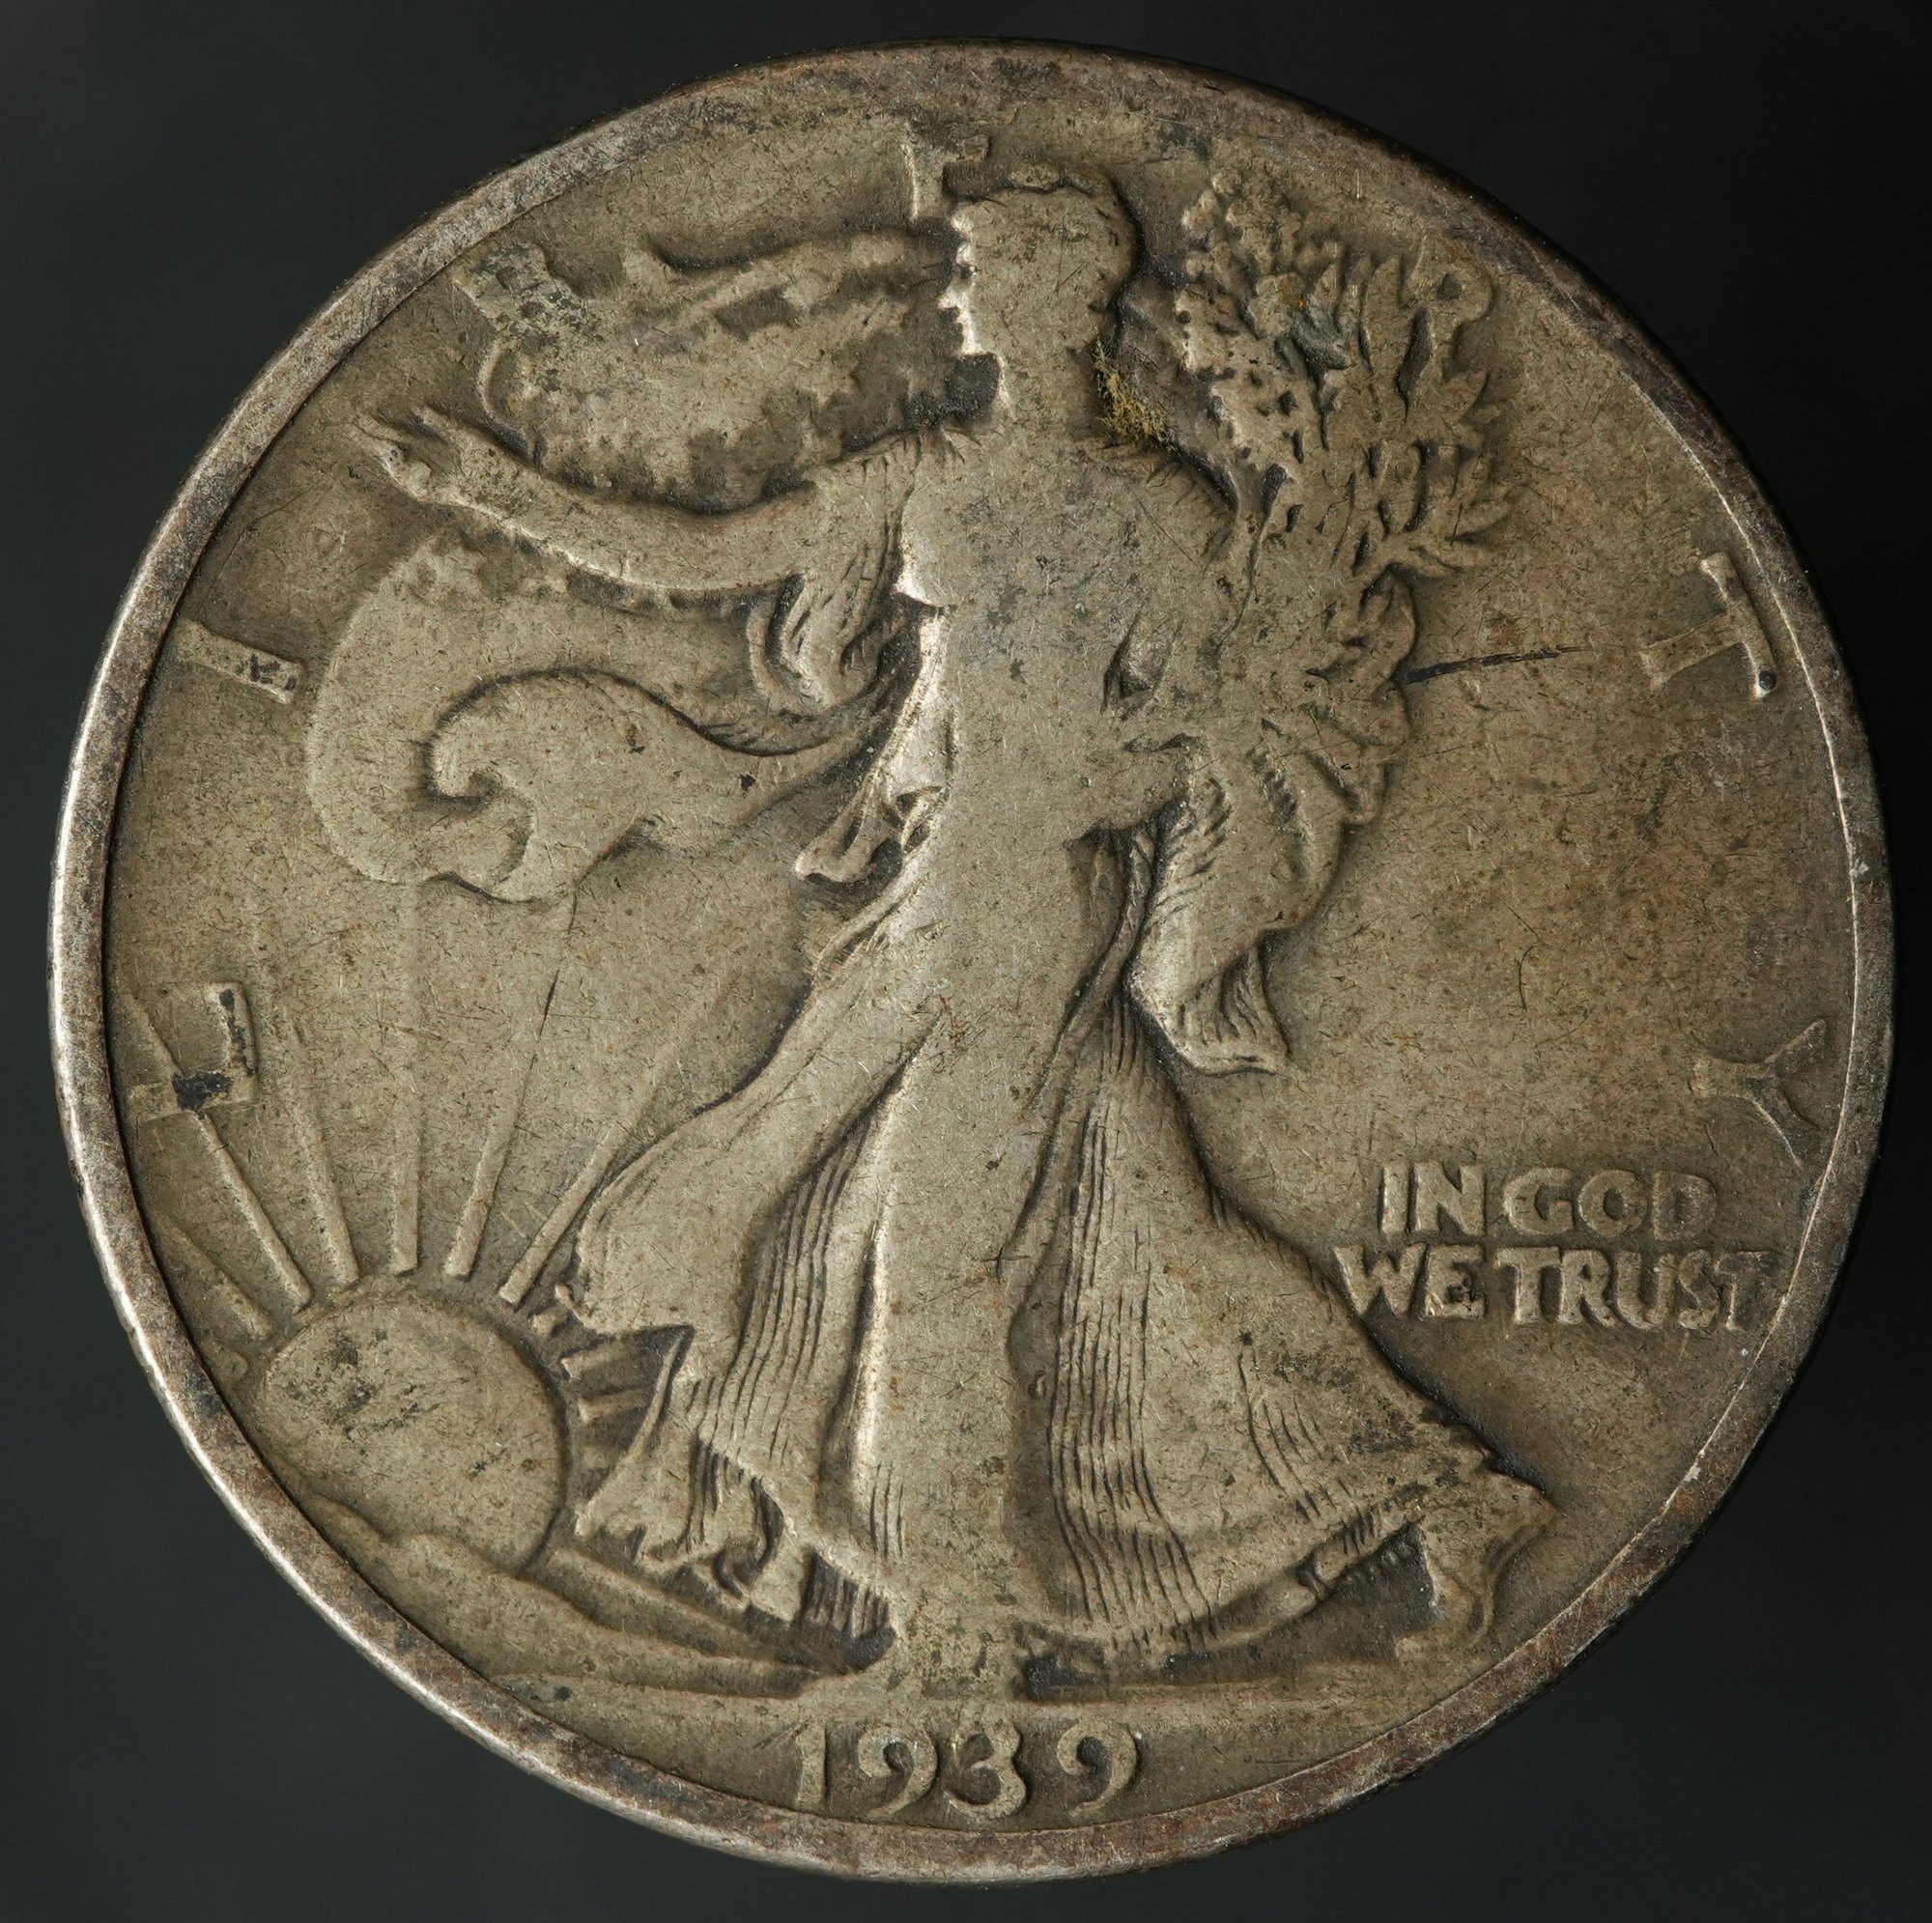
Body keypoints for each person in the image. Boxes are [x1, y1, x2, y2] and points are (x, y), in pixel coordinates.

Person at [361, 173, 1550, 1692]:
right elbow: (709, 556)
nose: (956, 297)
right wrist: (496, 493)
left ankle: (959, 1631)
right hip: (960, 883)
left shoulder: (1160, 514)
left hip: (1031, 897)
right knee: (1149, 1228)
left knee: (929, 1254)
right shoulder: (931, 474)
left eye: (981, 271)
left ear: (1054, 295)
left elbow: (1196, 735)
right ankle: (1446, 1499)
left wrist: (1070, 791)